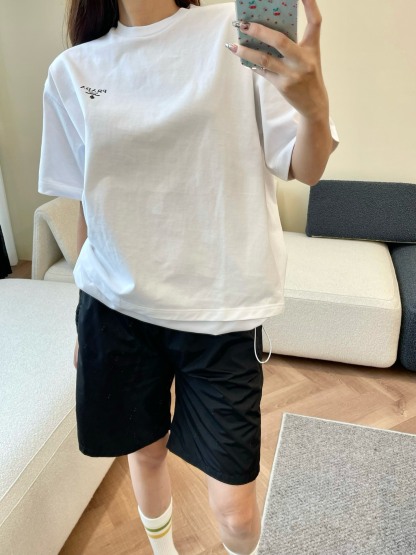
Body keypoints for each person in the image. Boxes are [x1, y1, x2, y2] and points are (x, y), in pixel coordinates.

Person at [38, 0, 338, 553]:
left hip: (223, 313)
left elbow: (307, 167)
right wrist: (82, 319)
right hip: (114, 310)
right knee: (145, 452)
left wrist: (314, 108)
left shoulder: (237, 31)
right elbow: (88, 203)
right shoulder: (72, 70)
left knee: (236, 514)